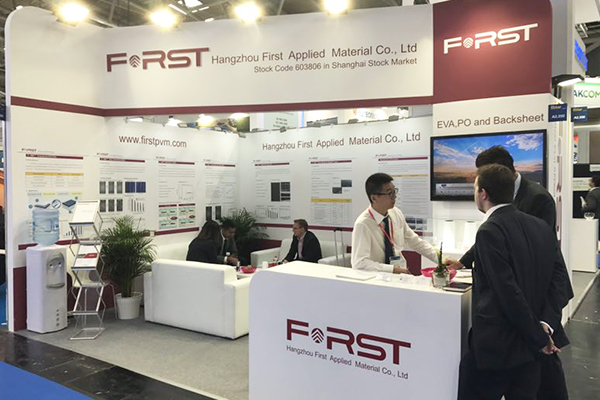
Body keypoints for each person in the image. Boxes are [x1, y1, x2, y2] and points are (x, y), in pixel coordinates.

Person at [447, 146, 571, 400]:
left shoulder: (537, 200)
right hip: (529, 338)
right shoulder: (533, 226)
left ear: (484, 191)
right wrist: (541, 331)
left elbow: (510, 289)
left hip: (506, 340)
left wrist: (541, 331)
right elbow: (558, 274)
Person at [351, 173, 438, 273]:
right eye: (389, 193)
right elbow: (359, 263)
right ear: (374, 198)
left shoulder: (395, 213)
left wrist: (441, 259)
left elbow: (414, 241)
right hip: (378, 278)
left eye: (394, 191)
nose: (394, 196)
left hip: (400, 274)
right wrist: (392, 270)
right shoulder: (363, 224)